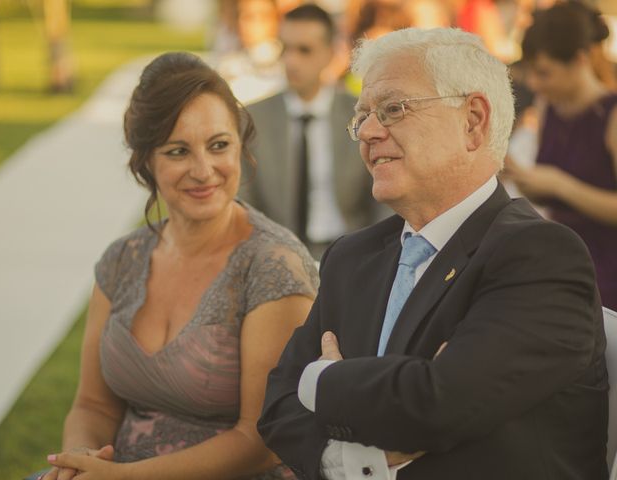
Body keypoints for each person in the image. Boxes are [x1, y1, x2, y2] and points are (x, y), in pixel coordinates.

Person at [258, 27, 608, 480]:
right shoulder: (353, 256)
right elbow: (277, 406)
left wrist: (322, 379)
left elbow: (435, 404)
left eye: (393, 109)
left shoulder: (540, 255)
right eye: (361, 117)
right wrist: (348, 463)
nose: (365, 131)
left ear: (473, 121)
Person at [35, 52, 318, 480]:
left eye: (219, 145)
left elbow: (261, 439)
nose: (204, 171)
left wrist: (125, 478)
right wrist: (81, 461)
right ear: (146, 160)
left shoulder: (275, 268)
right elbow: (93, 405)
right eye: (178, 151)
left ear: (241, 146)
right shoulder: (121, 260)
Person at [240, 4, 380, 259]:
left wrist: (375, 254)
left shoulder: (363, 115)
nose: (291, 61)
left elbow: (383, 196)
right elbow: (243, 202)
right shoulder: (252, 120)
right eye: (285, 49)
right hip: (275, 254)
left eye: (304, 50)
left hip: (352, 251)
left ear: (329, 53)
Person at [506, 2, 617, 310]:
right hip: (560, 262)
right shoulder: (548, 107)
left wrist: (560, 184)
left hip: (607, 274)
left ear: (579, 60)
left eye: (544, 73)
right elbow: (548, 196)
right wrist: (519, 178)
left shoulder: (611, 116)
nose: (534, 83)